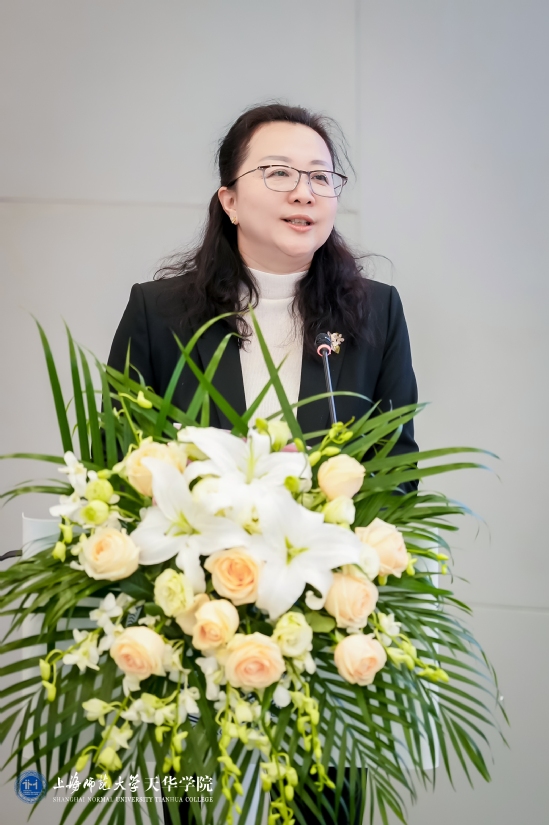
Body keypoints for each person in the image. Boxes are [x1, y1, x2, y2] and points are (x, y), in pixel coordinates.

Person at [108, 102, 418, 825]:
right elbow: (121, 464)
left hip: (325, 632)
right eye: (278, 173)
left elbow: (396, 470)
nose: (304, 191)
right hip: (195, 622)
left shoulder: (375, 312)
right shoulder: (160, 312)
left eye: (320, 176)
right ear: (229, 198)